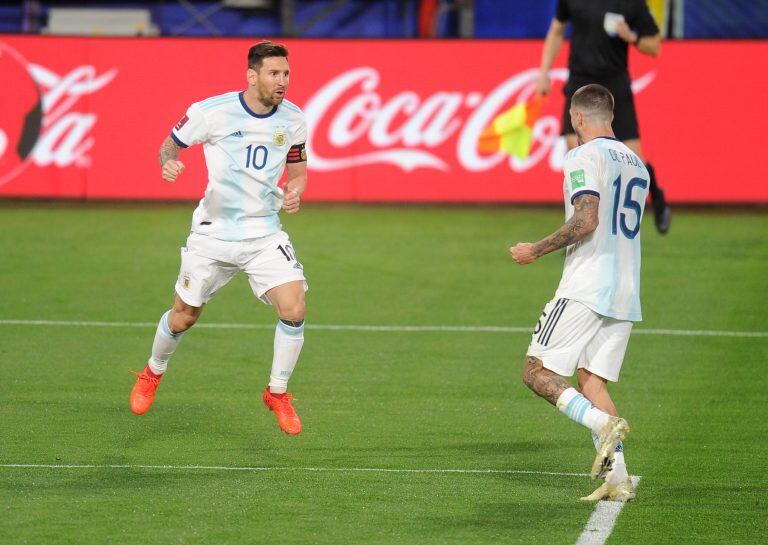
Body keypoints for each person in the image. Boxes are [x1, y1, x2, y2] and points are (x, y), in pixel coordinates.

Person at [129, 41, 309, 435]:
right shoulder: (212, 111)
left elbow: (297, 168)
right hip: (214, 234)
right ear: (252, 75)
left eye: (286, 74)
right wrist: (169, 162)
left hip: (264, 232)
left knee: (294, 308)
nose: (282, 82)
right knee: (184, 316)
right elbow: (170, 143)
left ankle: (277, 393)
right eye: (274, 74)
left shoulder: (294, 119)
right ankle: (152, 373)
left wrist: (295, 190)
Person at [510, 84, 647, 502]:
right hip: (626, 288)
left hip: (588, 283)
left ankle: (601, 424)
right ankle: (618, 477)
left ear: (577, 118)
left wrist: (536, 248)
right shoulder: (638, 163)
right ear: (611, 116)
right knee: (591, 380)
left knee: (536, 371)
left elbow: (586, 219)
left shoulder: (583, 155)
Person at [536, 0, 671, 234]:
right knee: (576, 151)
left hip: (614, 85)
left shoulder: (633, 4)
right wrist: (544, 72)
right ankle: (578, 226)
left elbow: (654, 46)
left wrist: (632, 37)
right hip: (579, 81)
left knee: (634, 158)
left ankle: (656, 195)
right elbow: (557, 30)